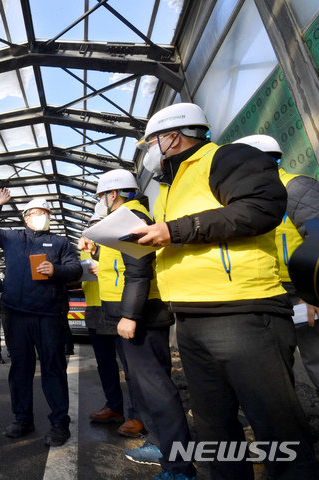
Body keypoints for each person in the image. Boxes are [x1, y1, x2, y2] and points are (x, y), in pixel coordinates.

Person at [133, 103, 319, 479]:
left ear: (172, 136)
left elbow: (261, 207)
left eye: (152, 141)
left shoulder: (225, 158)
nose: (150, 149)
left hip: (243, 316)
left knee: (276, 429)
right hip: (190, 319)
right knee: (215, 432)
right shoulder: (169, 187)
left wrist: (174, 230)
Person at [79, 170, 196, 480]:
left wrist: (130, 315)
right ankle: (159, 443)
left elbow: (139, 268)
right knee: (144, 386)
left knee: (157, 389)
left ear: (113, 194)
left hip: (140, 314)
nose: (100, 202)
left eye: (100, 196)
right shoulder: (129, 218)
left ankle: (180, 467)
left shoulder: (129, 218)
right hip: (129, 311)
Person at [0, 191, 81, 447]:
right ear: (26, 218)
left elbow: (76, 268)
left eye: (46, 214)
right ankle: (22, 418)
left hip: (49, 315)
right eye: (37, 214)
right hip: (16, 314)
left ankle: (59, 423)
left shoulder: (60, 243)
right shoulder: (12, 237)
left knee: (53, 368)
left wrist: (56, 269)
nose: (42, 217)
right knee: (20, 368)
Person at [234, 134, 319, 392]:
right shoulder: (255, 199)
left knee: (316, 359)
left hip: (303, 294)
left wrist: (313, 295)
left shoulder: (295, 188)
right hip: (273, 293)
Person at [82, 214, 144, 439]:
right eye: (91, 227)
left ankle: (138, 415)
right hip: (95, 309)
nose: (95, 230)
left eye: (98, 225)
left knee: (131, 367)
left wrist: (105, 271)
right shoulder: (85, 247)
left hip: (118, 309)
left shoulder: (119, 241)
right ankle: (114, 406)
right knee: (105, 364)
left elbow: (136, 268)